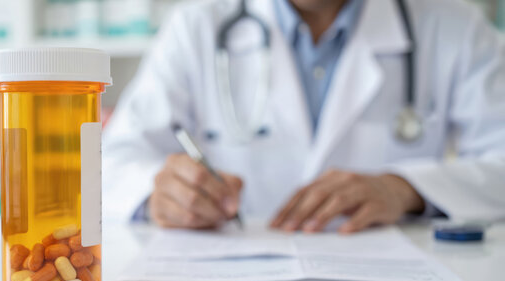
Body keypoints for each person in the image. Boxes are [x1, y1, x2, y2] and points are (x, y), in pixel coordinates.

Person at [102, 0, 505, 232]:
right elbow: (112, 161)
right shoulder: (197, 25)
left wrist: (406, 189)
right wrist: (158, 193)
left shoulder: (455, 25)